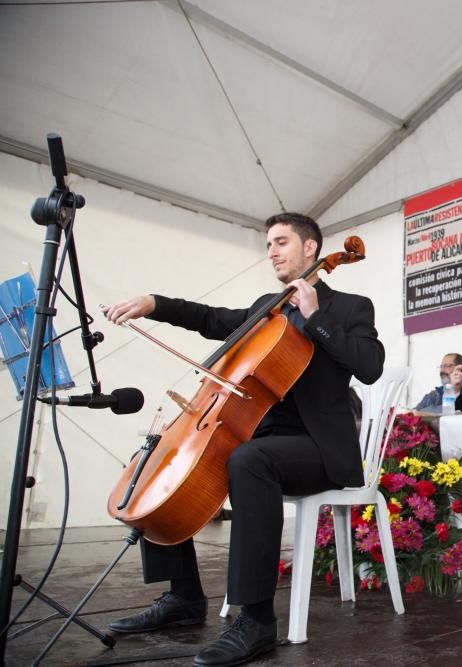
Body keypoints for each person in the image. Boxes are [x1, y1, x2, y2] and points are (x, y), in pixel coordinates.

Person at [100, 212, 384, 666]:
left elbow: (370, 366)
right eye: (268, 243)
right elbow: (210, 318)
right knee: (162, 461)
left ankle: (255, 620)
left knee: (251, 461)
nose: (271, 250)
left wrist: (314, 319)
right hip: (259, 434)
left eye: (281, 241)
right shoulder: (266, 307)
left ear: (310, 248)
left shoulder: (350, 306)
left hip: (318, 446)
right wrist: (155, 303)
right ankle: (184, 597)